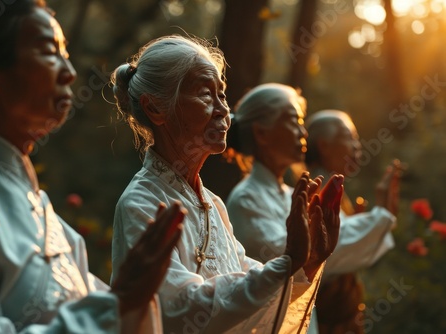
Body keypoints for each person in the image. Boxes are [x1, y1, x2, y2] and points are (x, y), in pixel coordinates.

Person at [0, 1, 185, 333]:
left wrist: (132, 297)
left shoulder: (50, 220)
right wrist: (120, 300)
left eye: (66, 53)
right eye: (49, 51)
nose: (70, 72)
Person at [110, 35, 343, 333]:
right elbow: (178, 307)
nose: (223, 110)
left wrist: (306, 262)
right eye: (205, 94)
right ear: (156, 109)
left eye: (222, 94)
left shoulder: (213, 203)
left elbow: (247, 280)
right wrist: (288, 263)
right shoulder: (140, 203)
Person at [225, 83, 399, 334]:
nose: (303, 131)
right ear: (262, 133)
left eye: (302, 122)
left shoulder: (288, 195)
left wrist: (380, 217)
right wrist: (381, 217)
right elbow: (302, 256)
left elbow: (326, 241)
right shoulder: (245, 200)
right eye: (293, 121)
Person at [304, 109, 401, 334]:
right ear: (324, 145)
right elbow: (336, 252)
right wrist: (382, 213)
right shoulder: (316, 189)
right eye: (349, 137)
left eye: (357, 139)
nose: (357, 146)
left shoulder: (336, 186)